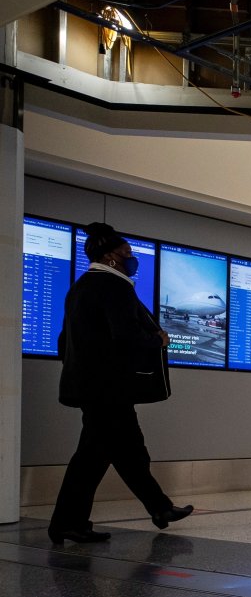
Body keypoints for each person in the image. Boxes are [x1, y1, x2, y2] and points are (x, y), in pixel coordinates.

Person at [49, 222, 193, 544]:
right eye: (127, 253)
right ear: (112, 257)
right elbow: (125, 334)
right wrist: (157, 339)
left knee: (116, 452)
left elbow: (64, 340)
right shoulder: (115, 287)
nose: (132, 258)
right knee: (106, 454)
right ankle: (68, 523)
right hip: (108, 389)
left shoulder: (80, 287)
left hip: (91, 387)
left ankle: (156, 508)